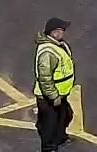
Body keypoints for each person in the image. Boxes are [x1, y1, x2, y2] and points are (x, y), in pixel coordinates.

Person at [34, 17, 76, 152]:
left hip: (60, 94)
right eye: (61, 30)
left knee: (66, 115)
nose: (64, 32)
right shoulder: (48, 53)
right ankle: (48, 148)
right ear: (54, 32)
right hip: (49, 97)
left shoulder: (58, 45)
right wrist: (53, 96)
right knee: (49, 125)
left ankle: (60, 138)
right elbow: (45, 78)